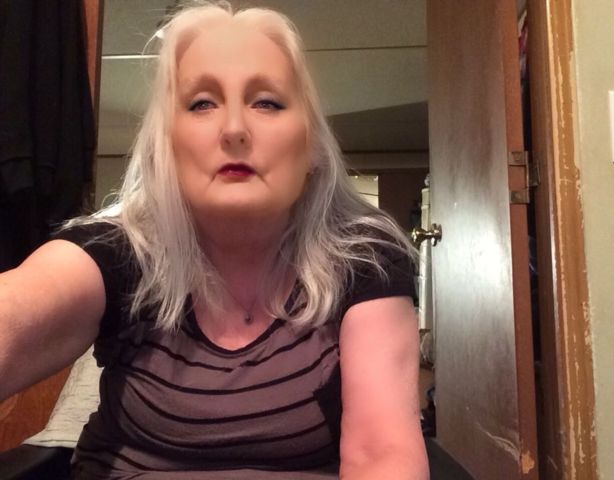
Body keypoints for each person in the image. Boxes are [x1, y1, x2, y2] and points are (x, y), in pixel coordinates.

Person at [0, 1, 429, 478]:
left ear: (310, 146)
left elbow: (381, 453)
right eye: (202, 103)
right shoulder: (119, 249)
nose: (234, 129)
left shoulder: (365, 258)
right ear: (166, 145)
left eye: (267, 102)